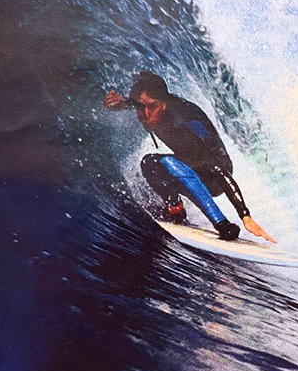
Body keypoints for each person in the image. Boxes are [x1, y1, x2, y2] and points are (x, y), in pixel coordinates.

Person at [104, 72, 274, 243]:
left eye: (151, 107)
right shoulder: (151, 106)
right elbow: (143, 102)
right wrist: (122, 103)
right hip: (186, 167)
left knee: (167, 163)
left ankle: (223, 224)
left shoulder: (184, 119)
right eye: (139, 107)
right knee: (150, 163)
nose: (145, 114)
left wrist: (245, 215)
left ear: (164, 104)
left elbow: (218, 168)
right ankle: (176, 211)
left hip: (215, 175)